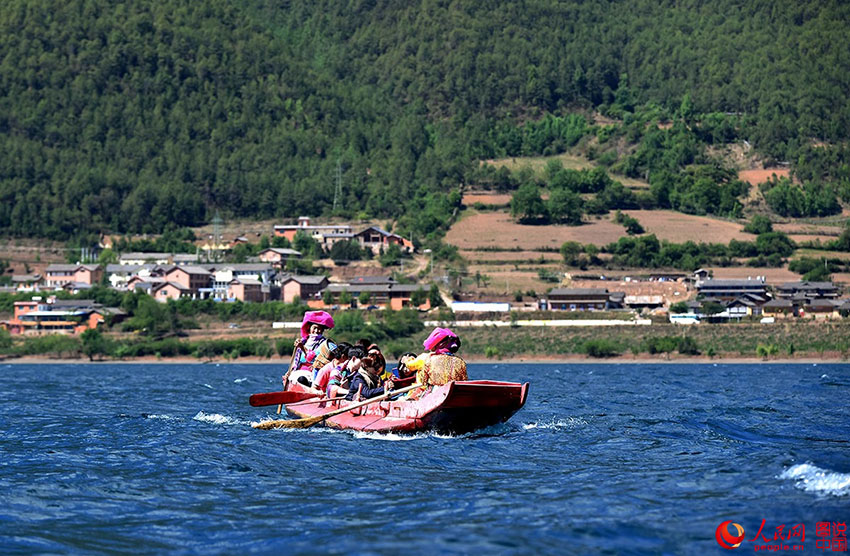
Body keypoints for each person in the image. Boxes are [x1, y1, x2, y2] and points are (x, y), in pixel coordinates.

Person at [405, 327, 467, 399]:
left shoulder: (429, 359)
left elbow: (423, 381)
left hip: (435, 393)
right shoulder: (460, 362)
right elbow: (464, 381)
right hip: (454, 394)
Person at [285, 310, 336, 388]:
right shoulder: (303, 341)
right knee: (297, 378)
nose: (316, 331)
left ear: (322, 330)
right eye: (314, 328)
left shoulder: (324, 344)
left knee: (302, 380)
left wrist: (303, 348)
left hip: (315, 375)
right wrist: (289, 373)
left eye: (319, 329)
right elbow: (296, 361)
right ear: (309, 328)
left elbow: (311, 358)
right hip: (299, 372)